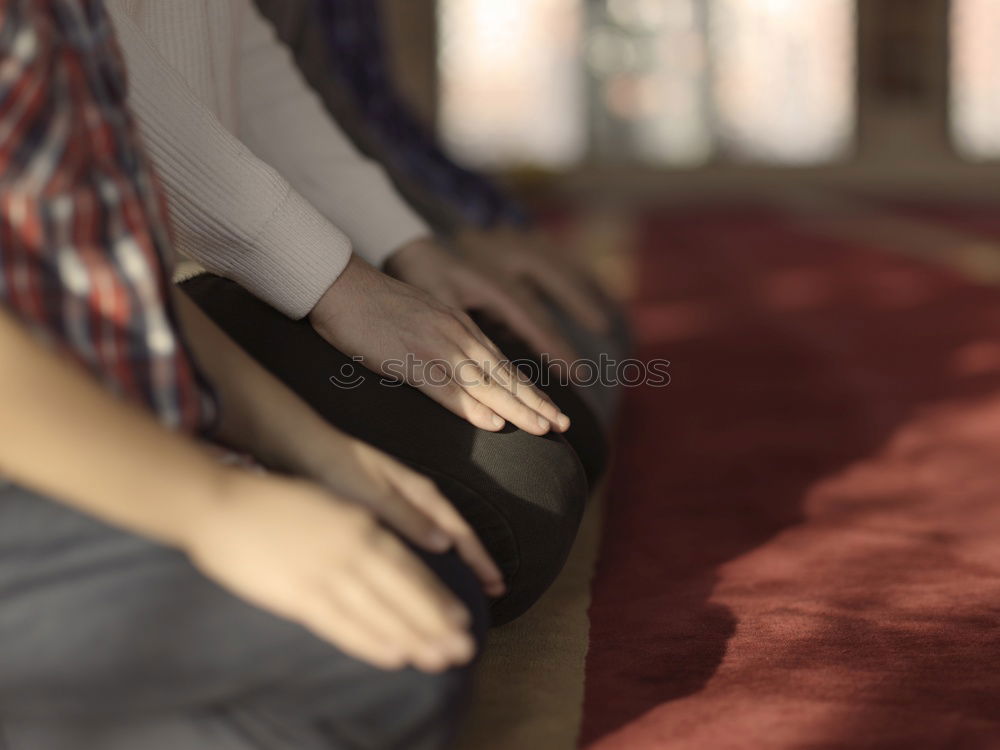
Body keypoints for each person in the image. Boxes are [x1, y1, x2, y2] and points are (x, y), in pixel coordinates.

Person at [0, 1, 495, 746]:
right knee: (382, 662)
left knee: (427, 571)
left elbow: (114, 283)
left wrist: (322, 450)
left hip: (120, 420)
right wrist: (215, 508)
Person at [103, 0, 606, 624]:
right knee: (520, 501)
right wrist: (335, 283)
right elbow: (102, 69)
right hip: (130, 268)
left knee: (568, 426)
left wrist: (405, 246)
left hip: (229, 243)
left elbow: (247, 58)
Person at [254, 0, 632, 427]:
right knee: (530, 449)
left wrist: (472, 225)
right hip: (281, 238)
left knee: (581, 349)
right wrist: (335, 277)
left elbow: (369, 117)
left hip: (366, 210)